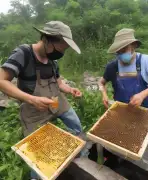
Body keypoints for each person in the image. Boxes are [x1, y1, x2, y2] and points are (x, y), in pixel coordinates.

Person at [0, 21, 83, 179]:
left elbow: (58, 82)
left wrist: (70, 90)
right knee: (39, 155)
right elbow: (1, 80)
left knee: (77, 129)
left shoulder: (53, 59)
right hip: (33, 109)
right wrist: (31, 99)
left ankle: (77, 160)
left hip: (57, 102)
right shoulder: (23, 53)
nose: (61, 53)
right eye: (60, 48)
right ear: (46, 39)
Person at [99, 28, 148, 109]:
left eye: (123, 50)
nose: (121, 54)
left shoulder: (145, 60)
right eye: (118, 52)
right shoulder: (112, 66)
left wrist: (142, 95)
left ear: (134, 46)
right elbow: (101, 83)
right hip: (120, 111)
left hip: (142, 112)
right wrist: (104, 95)